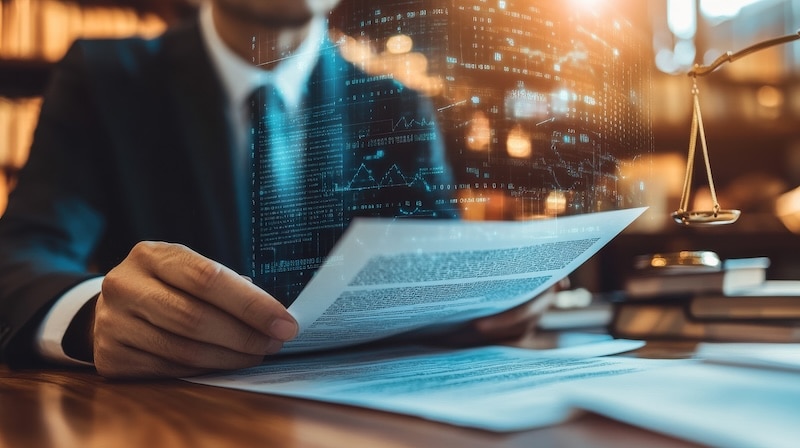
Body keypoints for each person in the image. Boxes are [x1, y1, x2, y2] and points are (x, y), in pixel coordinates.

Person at [0, 0, 553, 379]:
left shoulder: (396, 106)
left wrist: (484, 301)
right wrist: (93, 317)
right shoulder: (105, 79)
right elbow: (21, 257)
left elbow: (434, 279)